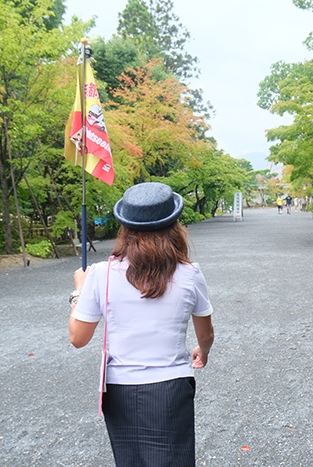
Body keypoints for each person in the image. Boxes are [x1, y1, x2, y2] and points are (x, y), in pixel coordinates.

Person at [68, 182, 214, 467]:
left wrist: (79, 291)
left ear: (125, 227)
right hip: (172, 387)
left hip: (120, 390)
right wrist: (202, 350)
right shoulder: (189, 273)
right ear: (174, 226)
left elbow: (78, 337)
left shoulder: (100, 274)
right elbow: (205, 332)